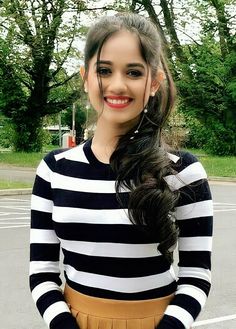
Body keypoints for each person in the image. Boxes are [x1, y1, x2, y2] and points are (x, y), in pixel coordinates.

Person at [29, 13, 213, 329]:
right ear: (85, 77)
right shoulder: (53, 170)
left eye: (133, 72)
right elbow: (42, 271)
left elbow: (197, 274)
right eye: (104, 70)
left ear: (153, 82)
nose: (117, 84)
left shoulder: (183, 171)